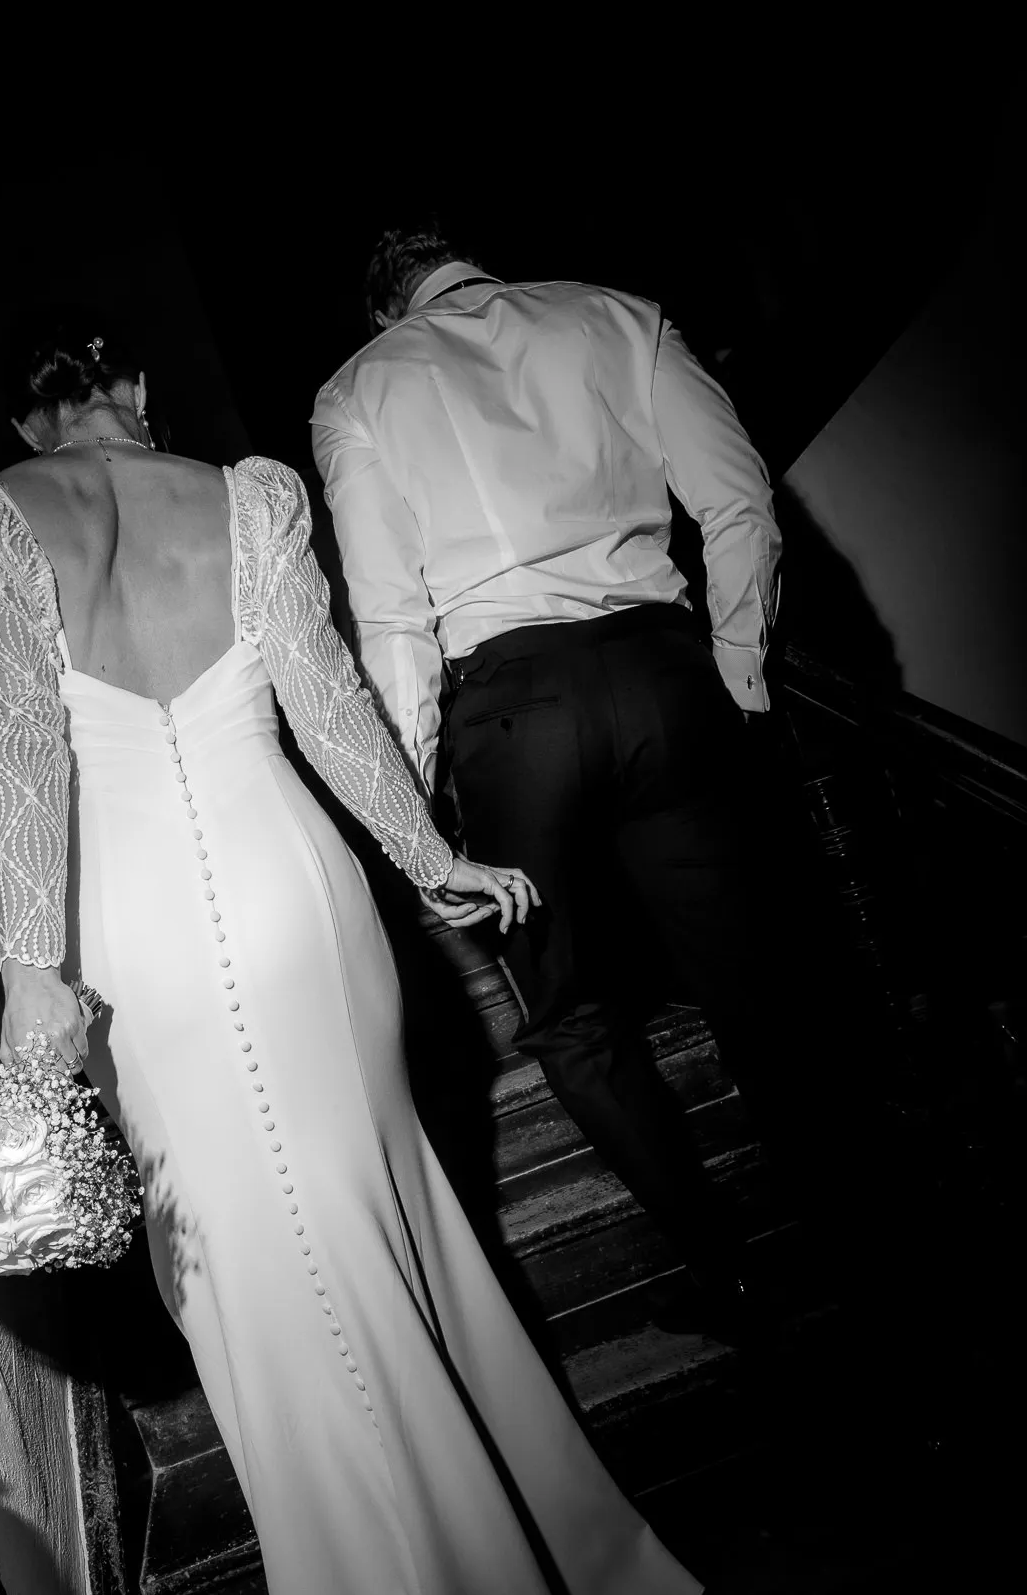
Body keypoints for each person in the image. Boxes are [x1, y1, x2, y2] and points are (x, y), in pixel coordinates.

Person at [0, 315, 701, 1595]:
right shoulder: (252, 494)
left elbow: (14, 748)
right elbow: (330, 706)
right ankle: (543, 1566)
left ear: (27, 410)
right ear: (131, 387)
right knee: (385, 1226)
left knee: (270, 1315)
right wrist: (429, 858)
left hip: (131, 944)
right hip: (301, 908)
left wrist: (29, 978)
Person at [312, 224, 795, 1327]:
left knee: (572, 1020)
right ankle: (863, 1242)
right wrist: (735, 680)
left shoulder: (358, 389)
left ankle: (731, 1276)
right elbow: (739, 505)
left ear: (386, 309)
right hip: (664, 672)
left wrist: (417, 819)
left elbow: (392, 621)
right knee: (758, 986)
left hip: (511, 712)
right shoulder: (623, 314)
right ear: (473, 262)